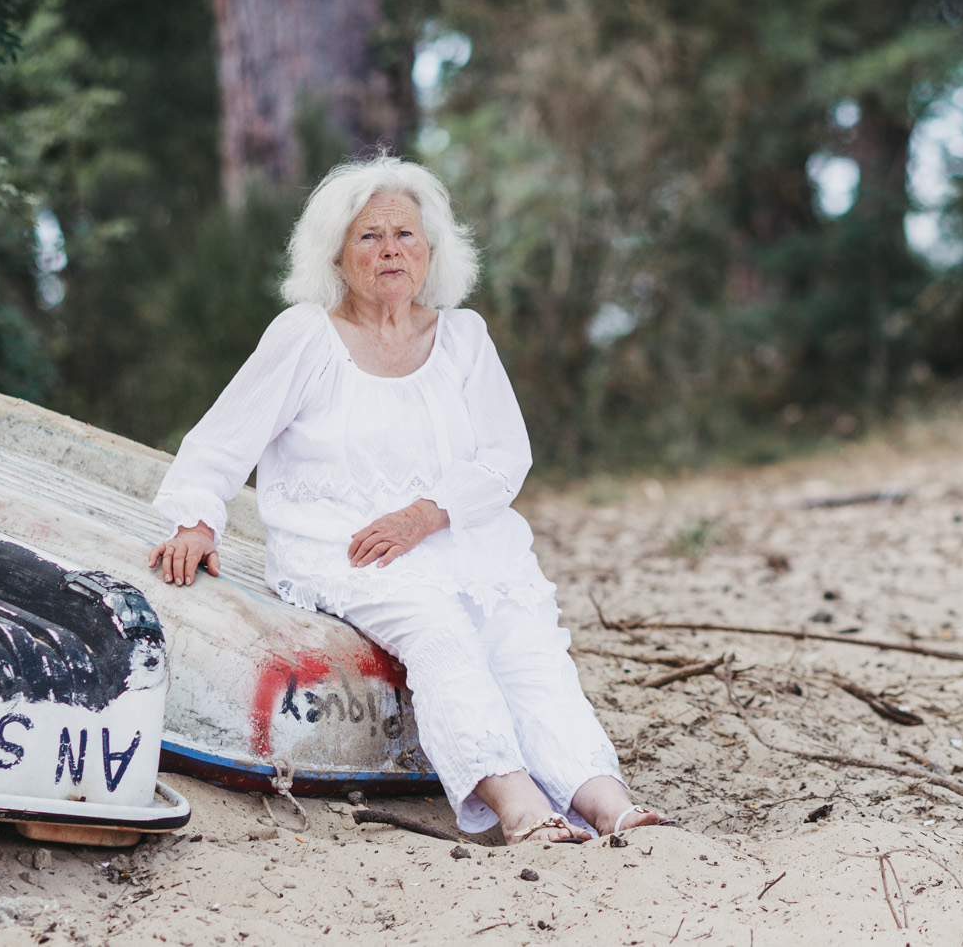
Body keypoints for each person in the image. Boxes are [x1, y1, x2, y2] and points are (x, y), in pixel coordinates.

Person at [146, 153, 662, 845]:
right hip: (346, 543)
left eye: (406, 235)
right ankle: (519, 808)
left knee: (525, 643)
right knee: (443, 635)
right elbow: (223, 438)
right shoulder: (306, 336)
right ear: (336, 252)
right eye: (370, 236)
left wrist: (429, 512)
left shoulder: (464, 337)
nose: (391, 249)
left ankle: (606, 801)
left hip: (456, 532)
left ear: (431, 251)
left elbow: (507, 456)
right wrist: (196, 520)